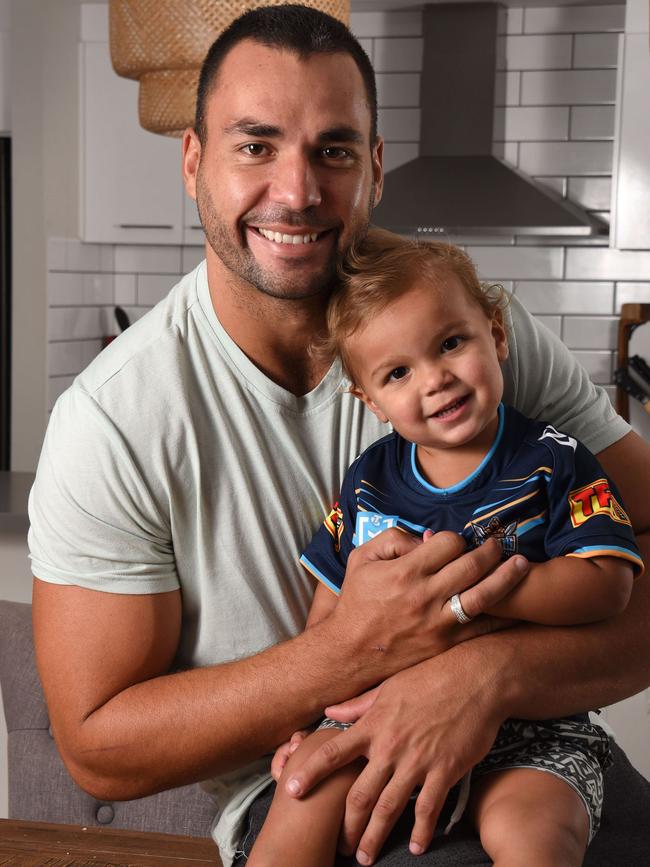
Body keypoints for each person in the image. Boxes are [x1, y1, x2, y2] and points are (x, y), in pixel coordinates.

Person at [27, 6, 650, 867]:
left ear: (376, 168)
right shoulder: (113, 421)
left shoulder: (470, 334)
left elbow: (636, 553)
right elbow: (97, 746)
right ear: (194, 161)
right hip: (313, 795)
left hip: (538, 749)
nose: (297, 191)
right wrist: (353, 650)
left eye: (334, 150)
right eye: (255, 145)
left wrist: (482, 675)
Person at [246, 230, 642, 867]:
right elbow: (330, 618)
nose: (435, 380)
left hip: (531, 723)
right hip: (378, 714)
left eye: (451, 344)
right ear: (368, 400)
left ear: (497, 333)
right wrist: (319, 722)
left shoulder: (554, 460)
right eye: (398, 373)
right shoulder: (369, 480)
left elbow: (607, 583)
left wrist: (474, 596)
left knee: (536, 831)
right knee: (300, 790)